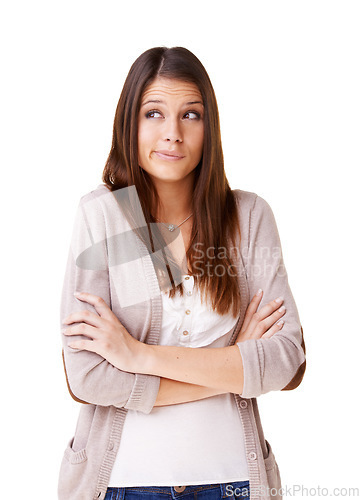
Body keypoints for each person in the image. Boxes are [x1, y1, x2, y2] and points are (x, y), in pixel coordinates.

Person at [58, 46, 306, 500]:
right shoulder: (104, 215)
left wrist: (138, 356)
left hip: (234, 482)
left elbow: (287, 361)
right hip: (122, 485)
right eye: (154, 113)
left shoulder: (248, 216)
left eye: (190, 115)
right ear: (129, 123)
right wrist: (233, 362)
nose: (172, 133)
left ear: (209, 127)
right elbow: (86, 376)